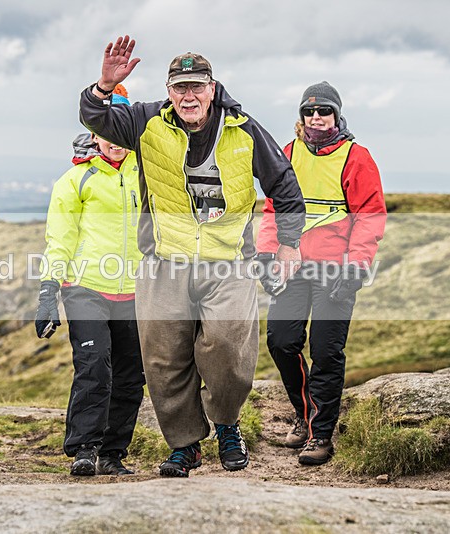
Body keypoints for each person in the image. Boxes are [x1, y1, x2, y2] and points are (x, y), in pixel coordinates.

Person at [79, 36, 305, 477]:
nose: (188, 96)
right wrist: (104, 86)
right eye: (179, 87)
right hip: (165, 261)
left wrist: (289, 242)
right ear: (168, 91)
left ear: (212, 88)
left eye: (196, 87)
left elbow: (283, 182)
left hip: (228, 263)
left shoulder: (244, 129)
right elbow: (95, 118)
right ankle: (185, 446)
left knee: (227, 350)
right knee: (164, 361)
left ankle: (227, 425)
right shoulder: (145, 121)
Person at [256, 81, 386, 465]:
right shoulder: (288, 153)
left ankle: (320, 435)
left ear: (337, 115)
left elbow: (369, 217)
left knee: (326, 352)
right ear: (301, 116)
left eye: (324, 111)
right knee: (281, 341)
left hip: (337, 270)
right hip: (293, 266)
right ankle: (304, 414)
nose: (316, 117)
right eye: (309, 111)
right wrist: (267, 253)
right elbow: (274, 209)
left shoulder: (356, 157)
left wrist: (357, 265)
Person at [36, 85, 146, 476]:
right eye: (106, 131)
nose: (114, 140)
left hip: (137, 290)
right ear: (94, 133)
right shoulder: (75, 180)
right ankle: (84, 447)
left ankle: (113, 453)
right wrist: (48, 291)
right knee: (94, 365)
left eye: (120, 130)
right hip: (85, 287)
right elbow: (59, 239)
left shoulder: (148, 174)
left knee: (131, 376)